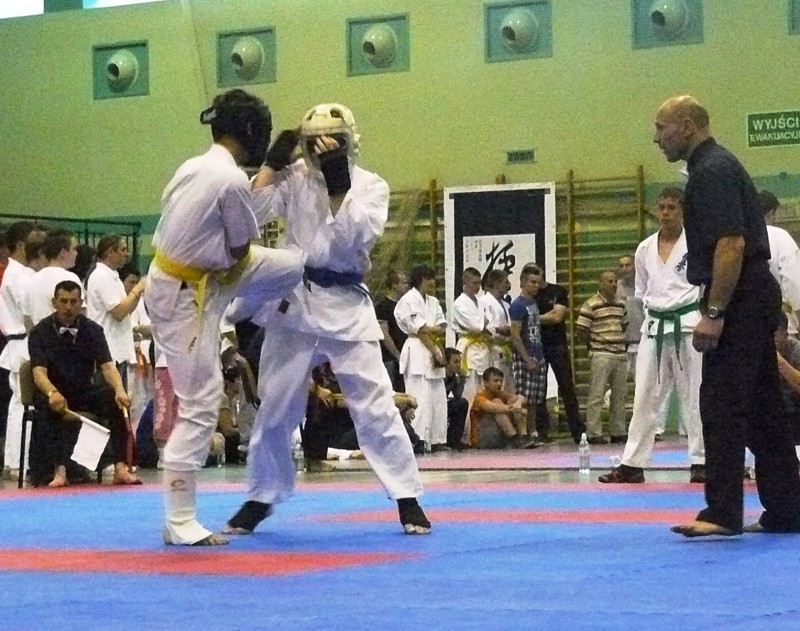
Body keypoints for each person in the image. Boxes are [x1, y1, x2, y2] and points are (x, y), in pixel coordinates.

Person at [224, 102, 430, 537]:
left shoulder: (371, 186)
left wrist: (339, 185)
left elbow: (355, 237)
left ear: (350, 140)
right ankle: (261, 496)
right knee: (275, 405)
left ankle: (407, 497)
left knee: (375, 405)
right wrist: (271, 166)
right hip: (295, 300)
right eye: (313, 141)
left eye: (331, 141)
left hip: (347, 302)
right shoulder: (295, 176)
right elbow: (248, 217)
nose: (322, 149)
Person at [145, 89, 305, 546]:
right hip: (191, 291)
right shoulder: (231, 180)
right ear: (251, 131)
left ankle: (242, 308)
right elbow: (237, 249)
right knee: (200, 401)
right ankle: (180, 519)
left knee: (295, 265)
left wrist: (271, 168)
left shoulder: (194, 167)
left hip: (194, 278)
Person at [654, 94, 800, 537]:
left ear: (687, 125)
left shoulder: (711, 171)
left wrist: (715, 312)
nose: (657, 138)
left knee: (720, 403)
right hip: (752, 293)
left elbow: (731, 244)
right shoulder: (715, 167)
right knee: (762, 408)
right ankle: (788, 508)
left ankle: (721, 512)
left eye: (661, 127)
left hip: (739, 296)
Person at [598, 187, 706, 484]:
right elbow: (643, 291)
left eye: (672, 207)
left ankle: (701, 461)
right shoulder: (645, 248)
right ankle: (633, 464)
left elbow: (706, 286)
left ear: (683, 210)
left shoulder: (697, 243)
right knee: (644, 396)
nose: (666, 212)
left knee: (695, 395)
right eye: (662, 207)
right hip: (655, 326)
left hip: (688, 324)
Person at [27, 280, 140, 487]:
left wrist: (120, 390)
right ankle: (59, 471)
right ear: (54, 303)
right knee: (46, 404)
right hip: (53, 390)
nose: (68, 307)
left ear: (81, 303)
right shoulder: (39, 332)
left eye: (73, 302)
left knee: (115, 401)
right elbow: (39, 374)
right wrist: (52, 393)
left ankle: (121, 468)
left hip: (83, 390)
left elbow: (108, 367)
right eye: (63, 301)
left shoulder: (93, 330)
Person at [395, 264, 448, 452]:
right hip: (417, 348)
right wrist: (433, 347)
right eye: (430, 278)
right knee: (419, 397)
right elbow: (419, 329)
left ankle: (437, 440)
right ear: (421, 279)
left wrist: (434, 340)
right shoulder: (408, 300)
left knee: (437, 397)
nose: (433, 282)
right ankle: (418, 439)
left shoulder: (433, 301)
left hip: (434, 346)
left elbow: (441, 326)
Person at [0, 221, 38, 476]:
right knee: (22, 405)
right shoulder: (18, 276)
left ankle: (16, 461)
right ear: (22, 244)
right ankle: (17, 462)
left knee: (19, 405)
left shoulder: (20, 273)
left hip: (21, 341)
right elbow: (29, 316)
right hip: (21, 341)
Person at [576, 270, 628, 444]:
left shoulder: (621, 304)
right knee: (597, 394)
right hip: (601, 353)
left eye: (615, 281)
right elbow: (581, 329)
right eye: (609, 281)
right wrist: (593, 344)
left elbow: (624, 325)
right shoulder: (590, 304)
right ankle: (594, 432)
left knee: (620, 396)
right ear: (600, 284)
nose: (613, 284)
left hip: (619, 353)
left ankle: (618, 431)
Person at [535, 270, 585, 443]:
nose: (535, 282)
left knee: (566, 387)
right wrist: (544, 317)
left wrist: (533, 317)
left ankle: (578, 431)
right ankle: (541, 431)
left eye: (537, 277)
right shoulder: (530, 296)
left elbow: (557, 316)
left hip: (557, 345)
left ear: (542, 274)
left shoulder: (558, 291)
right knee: (539, 390)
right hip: (538, 346)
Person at [508, 264, 547, 446]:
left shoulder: (533, 303)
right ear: (523, 283)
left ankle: (532, 433)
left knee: (534, 399)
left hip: (537, 353)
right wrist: (526, 359)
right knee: (522, 397)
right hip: (525, 356)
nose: (536, 285)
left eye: (538, 282)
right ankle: (522, 434)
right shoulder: (518, 305)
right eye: (532, 282)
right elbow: (515, 335)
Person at [451, 267, 491, 429]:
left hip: (481, 349)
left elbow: (489, 322)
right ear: (465, 282)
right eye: (474, 283)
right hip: (468, 350)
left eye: (479, 283)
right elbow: (476, 326)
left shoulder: (480, 301)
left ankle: (480, 433)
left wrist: (483, 325)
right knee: (469, 392)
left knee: (483, 392)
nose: (477, 287)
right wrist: (482, 325)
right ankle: (467, 434)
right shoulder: (459, 303)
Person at [757, 190, 800, 335]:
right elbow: (793, 281)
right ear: (770, 213)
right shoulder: (779, 236)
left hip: (746, 324)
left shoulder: (738, 237)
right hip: (781, 325)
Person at [25, 230, 82, 326]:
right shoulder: (70, 278)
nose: (76, 253)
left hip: (38, 333)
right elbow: (80, 314)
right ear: (63, 253)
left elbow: (27, 318)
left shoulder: (32, 280)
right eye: (73, 249)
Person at [470, 367, 528, 449]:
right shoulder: (479, 397)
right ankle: (513, 438)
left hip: (498, 435)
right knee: (497, 402)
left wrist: (518, 403)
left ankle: (523, 438)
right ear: (485, 383)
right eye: (496, 381)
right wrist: (518, 410)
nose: (499, 384)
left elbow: (522, 398)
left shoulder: (501, 393)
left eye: (501, 381)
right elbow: (493, 407)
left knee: (515, 401)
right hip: (483, 438)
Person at [374, 269, 409, 392]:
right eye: (403, 282)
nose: (406, 286)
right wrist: (397, 354)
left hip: (405, 353)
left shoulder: (405, 306)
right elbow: (385, 334)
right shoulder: (382, 307)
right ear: (394, 285)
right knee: (391, 391)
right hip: (390, 357)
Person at [479, 268, 513, 388]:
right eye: (506, 282)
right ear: (497, 284)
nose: (509, 285)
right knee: (495, 386)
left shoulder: (506, 304)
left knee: (507, 387)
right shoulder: (483, 302)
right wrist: (500, 331)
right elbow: (484, 327)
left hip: (506, 350)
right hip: (491, 349)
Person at [774, 313, 800, 450]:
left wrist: (780, 363)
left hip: (794, 411)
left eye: (774, 336)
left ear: (785, 335)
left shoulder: (796, 351)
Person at [616, 254, 644, 380]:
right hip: (621, 344)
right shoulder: (614, 288)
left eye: (628, 265)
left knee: (642, 382)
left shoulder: (644, 286)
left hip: (642, 342)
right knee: (618, 383)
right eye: (621, 266)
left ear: (634, 267)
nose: (624, 269)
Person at [443, 347, 469, 450]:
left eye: (459, 362)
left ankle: (454, 440)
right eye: (455, 362)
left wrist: (462, 380)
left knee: (462, 403)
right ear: (446, 363)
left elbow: (457, 395)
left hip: (443, 404)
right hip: (434, 406)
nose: (458, 365)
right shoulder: (439, 376)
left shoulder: (453, 376)